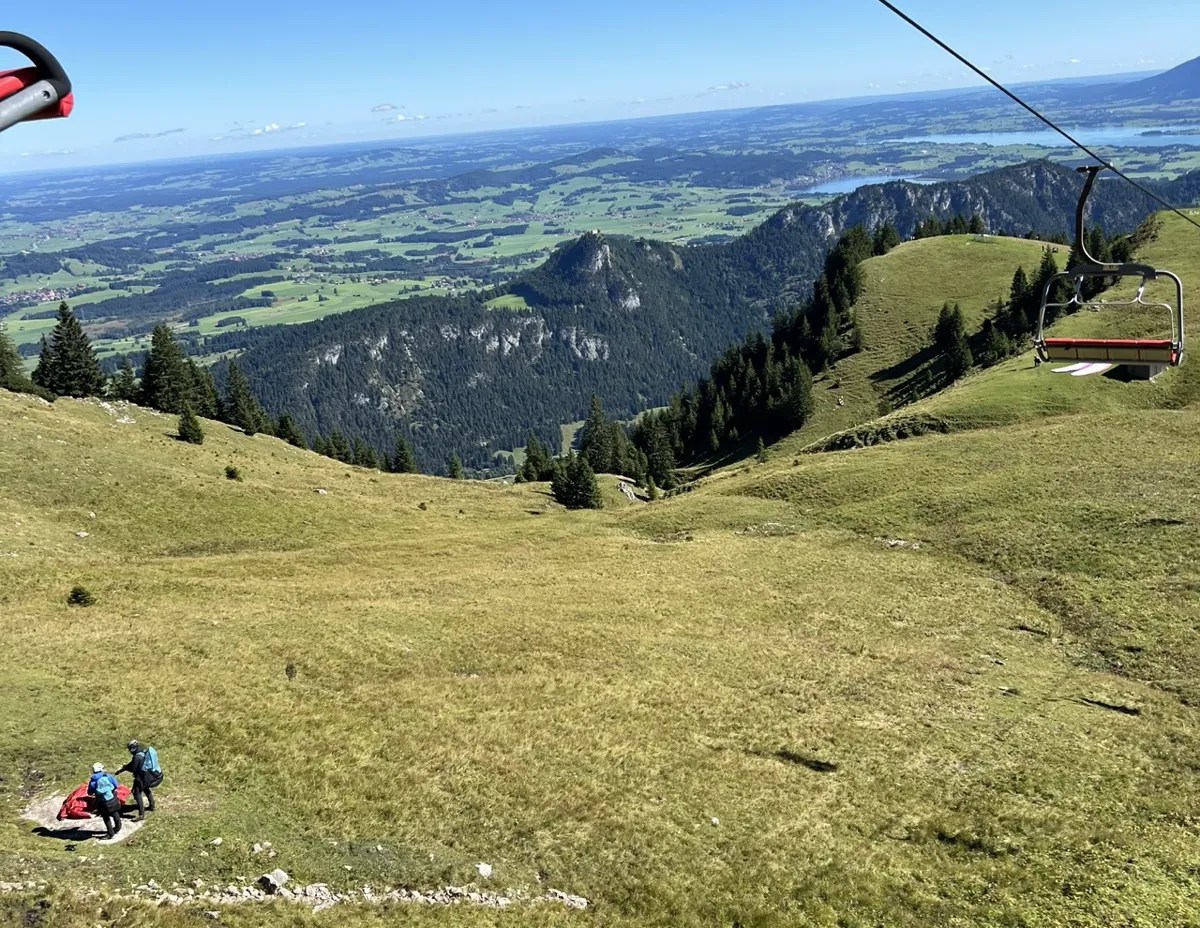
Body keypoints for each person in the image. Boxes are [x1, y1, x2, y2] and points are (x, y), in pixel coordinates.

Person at [117, 739, 162, 820]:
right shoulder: (142, 751)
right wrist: (123, 769)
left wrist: (126, 768)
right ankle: (152, 806)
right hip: (149, 776)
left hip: (142, 778)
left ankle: (141, 814)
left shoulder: (137, 757)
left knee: (137, 794)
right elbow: (132, 764)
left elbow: (134, 769)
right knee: (145, 789)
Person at [86, 762, 122, 839]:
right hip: (112, 798)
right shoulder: (108, 776)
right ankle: (118, 827)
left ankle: (110, 833)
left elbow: (89, 792)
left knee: (106, 817)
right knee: (115, 812)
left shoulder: (93, 781)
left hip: (103, 802)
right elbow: (116, 785)